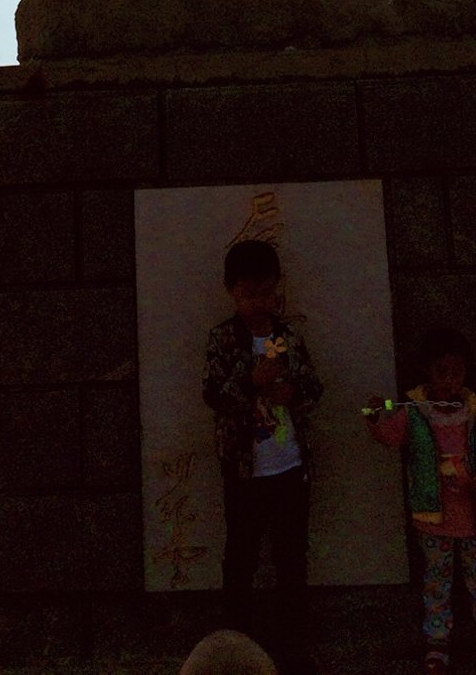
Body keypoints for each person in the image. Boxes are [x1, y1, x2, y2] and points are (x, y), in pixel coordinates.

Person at [202, 239, 322, 671]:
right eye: (249, 293)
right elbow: (214, 396)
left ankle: (293, 643)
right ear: (232, 292)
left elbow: (314, 389)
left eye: (266, 292)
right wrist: (251, 381)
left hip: (289, 463)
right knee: (241, 554)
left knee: (292, 555)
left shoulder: (287, 336)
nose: (259, 301)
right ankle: (235, 642)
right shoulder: (223, 338)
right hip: (244, 469)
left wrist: (292, 392)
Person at [366, 326, 476, 673]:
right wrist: (373, 416)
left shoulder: (474, 413)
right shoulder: (415, 412)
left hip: (473, 514)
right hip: (433, 516)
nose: (449, 381)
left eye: (456, 373)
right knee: (437, 582)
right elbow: (389, 436)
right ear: (427, 372)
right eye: (441, 372)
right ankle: (437, 642)